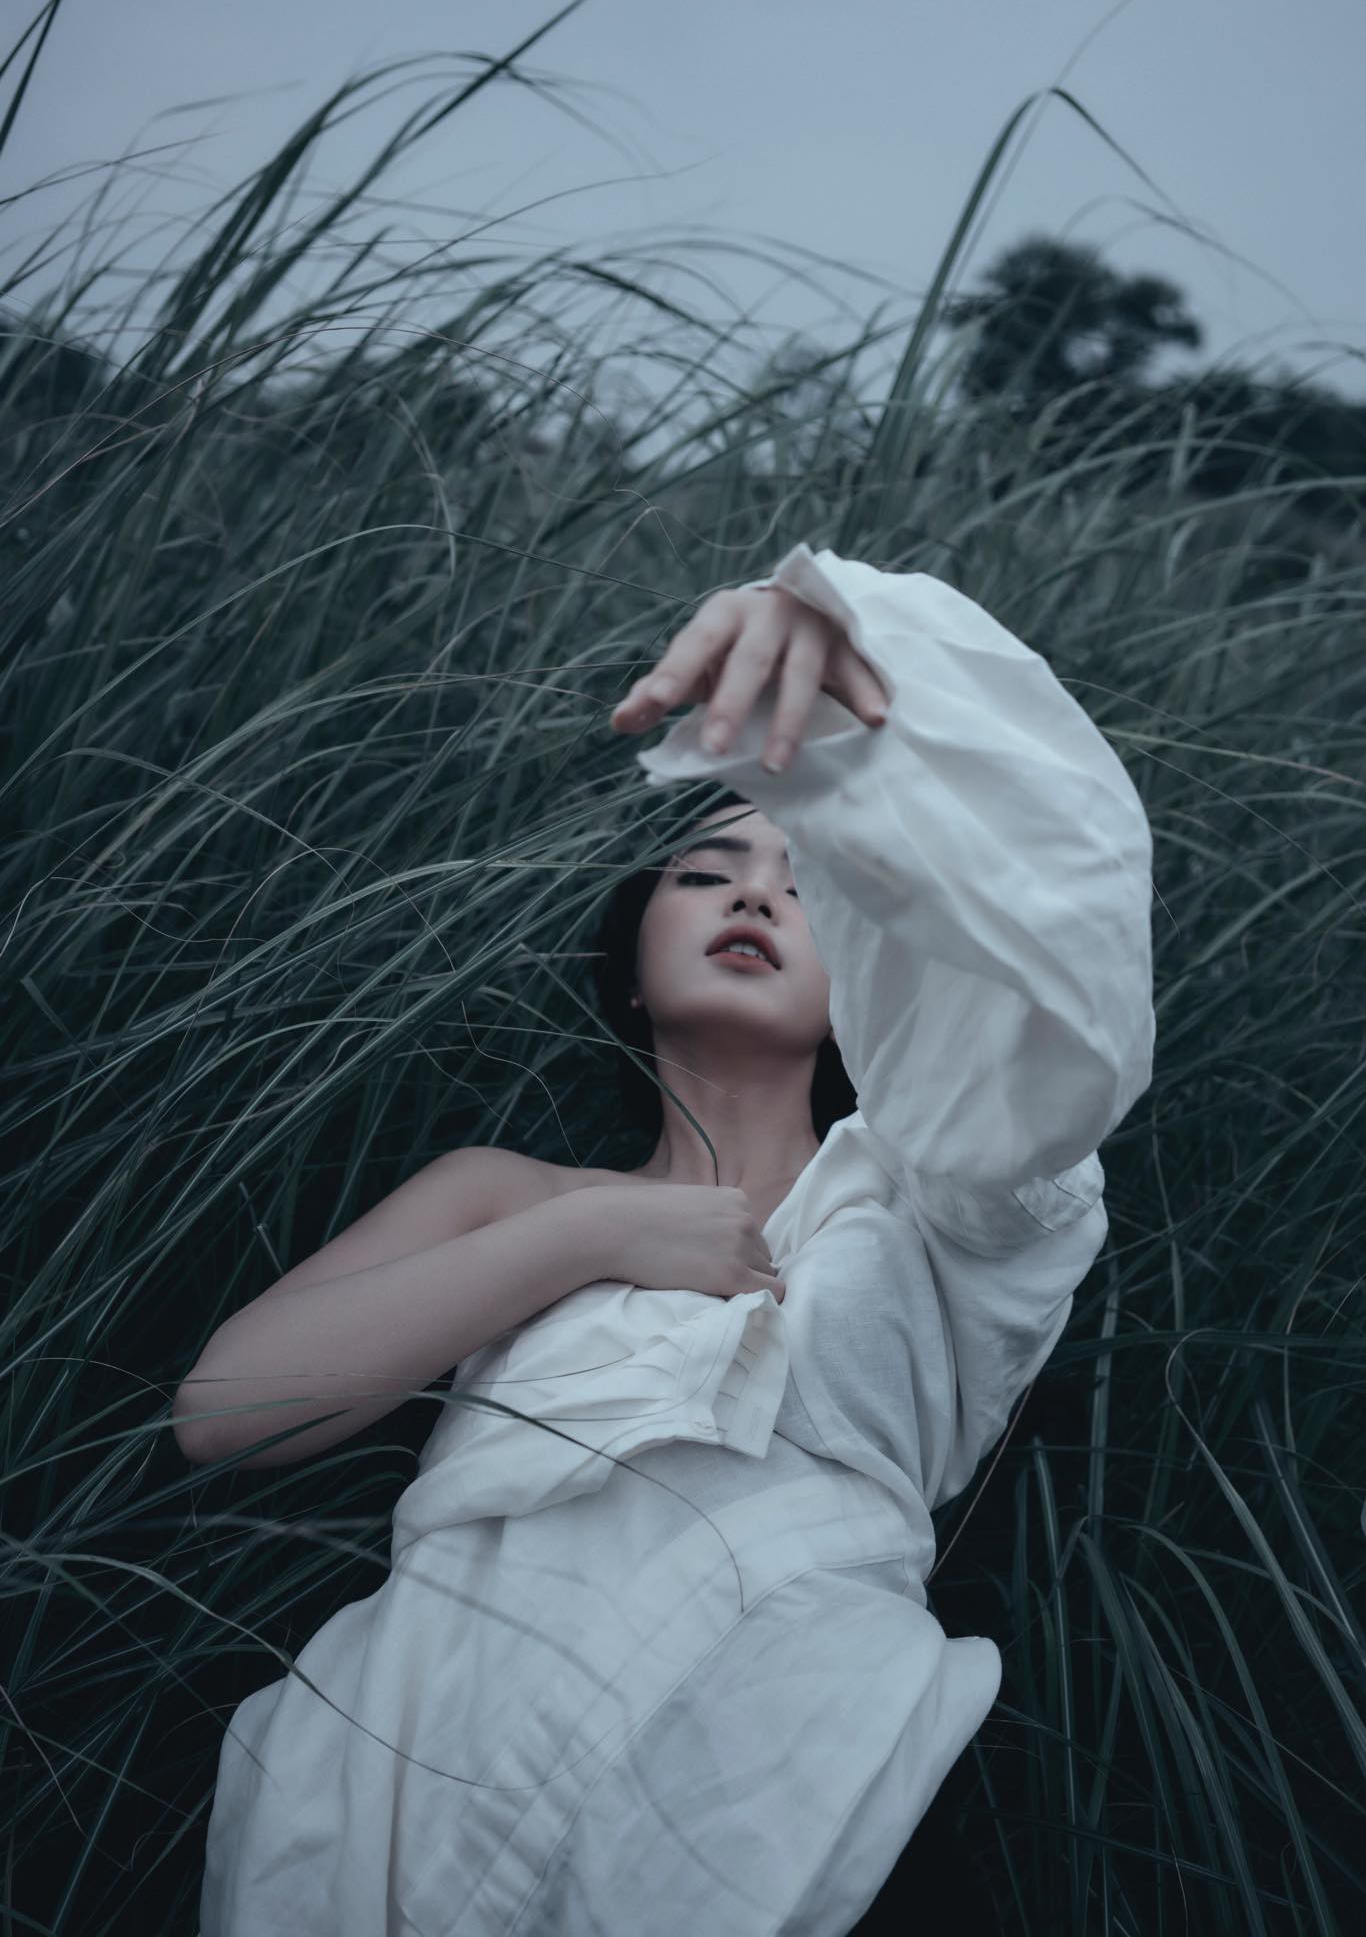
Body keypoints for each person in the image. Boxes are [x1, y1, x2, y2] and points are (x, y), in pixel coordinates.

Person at [187, 541, 1156, 1935]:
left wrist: (848, 635)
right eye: (706, 870)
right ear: (632, 963)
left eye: (811, 885)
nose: (755, 895)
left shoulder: (945, 1199)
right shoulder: (506, 1193)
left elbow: (1058, 965)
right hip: (414, 1744)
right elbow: (226, 1414)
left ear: (874, 983)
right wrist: (588, 1234)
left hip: (774, 1760)